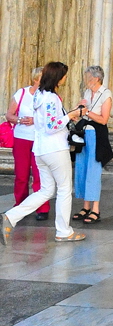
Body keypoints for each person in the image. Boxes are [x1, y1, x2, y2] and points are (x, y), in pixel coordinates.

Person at [1, 61, 86, 244]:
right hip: (54, 148)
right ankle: (64, 231)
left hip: (40, 149)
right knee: (64, 189)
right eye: (64, 75)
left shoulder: (39, 95)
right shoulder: (51, 98)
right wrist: (72, 115)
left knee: (46, 190)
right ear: (58, 77)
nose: (65, 79)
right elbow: (52, 126)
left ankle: (10, 217)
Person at [6, 66, 49, 221]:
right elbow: (9, 114)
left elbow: (51, 117)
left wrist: (35, 120)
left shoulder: (48, 95)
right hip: (22, 138)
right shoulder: (22, 93)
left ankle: (42, 208)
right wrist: (19, 120)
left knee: (40, 174)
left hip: (39, 139)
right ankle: (20, 205)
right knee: (21, 174)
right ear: (36, 78)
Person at [72, 66, 113, 225]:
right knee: (82, 168)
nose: (86, 80)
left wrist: (87, 112)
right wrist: (78, 110)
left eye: (88, 77)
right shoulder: (87, 93)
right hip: (84, 134)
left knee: (93, 170)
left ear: (96, 78)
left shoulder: (106, 94)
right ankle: (85, 206)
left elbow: (104, 119)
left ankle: (96, 208)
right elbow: (82, 112)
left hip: (97, 135)